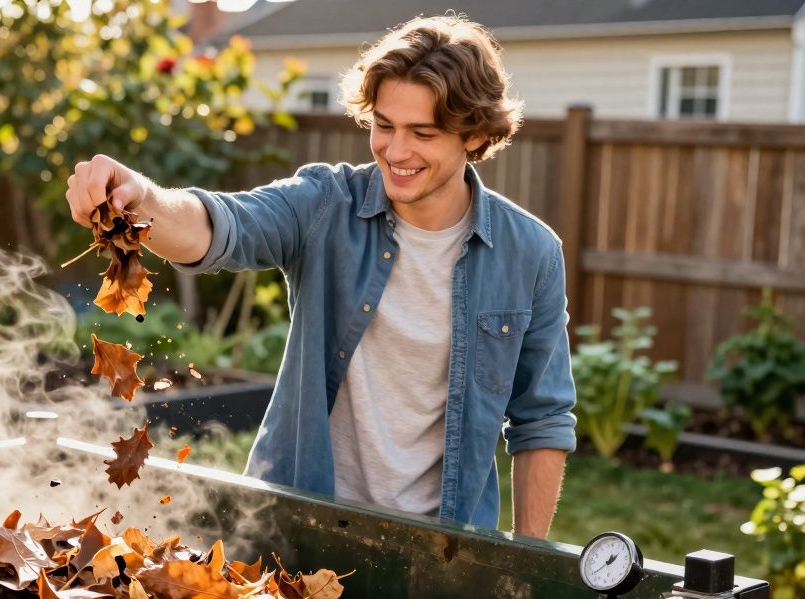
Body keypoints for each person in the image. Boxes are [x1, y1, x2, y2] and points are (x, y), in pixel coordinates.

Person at [64, 16, 576, 538]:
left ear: (476, 135)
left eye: (422, 133)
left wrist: (525, 566)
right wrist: (142, 199)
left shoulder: (530, 253)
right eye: (384, 125)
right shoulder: (324, 205)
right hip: (293, 531)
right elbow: (221, 225)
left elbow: (543, 419)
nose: (395, 152)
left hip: (444, 552)